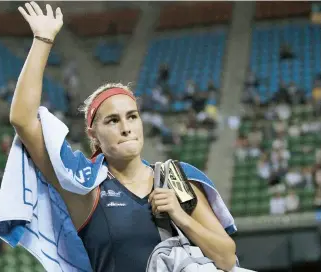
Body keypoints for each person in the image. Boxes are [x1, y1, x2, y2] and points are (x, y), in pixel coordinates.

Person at [13, 2, 236, 271]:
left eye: (132, 116)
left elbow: (226, 257)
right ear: (93, 134)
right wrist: (43, 39)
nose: (126, 127)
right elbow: (23, 121)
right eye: (113, 120)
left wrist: (181, 217)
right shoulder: (84, 185)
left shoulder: (176, 178)